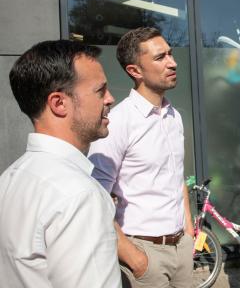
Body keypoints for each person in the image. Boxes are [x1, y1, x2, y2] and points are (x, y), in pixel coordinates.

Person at [0, 40, 120, 287]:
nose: (110, 98)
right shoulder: (79, 195)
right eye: (100, 90)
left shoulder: (9, 178)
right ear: (59, 103)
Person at [88, 27, 193, 288]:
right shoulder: (117, 123)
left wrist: (188, 232)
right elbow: (95, 199)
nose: (173, 62)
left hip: (182, 248)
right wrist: (136, 259)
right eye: (161, 58)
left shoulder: (174, 116)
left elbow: (176, 177)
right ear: (135, 71)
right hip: (144, 254)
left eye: (170, 54)